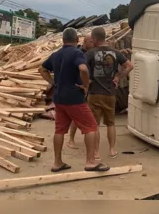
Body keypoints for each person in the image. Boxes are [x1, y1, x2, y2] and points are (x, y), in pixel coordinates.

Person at [39, 27, 110, 172]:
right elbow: (83, 69)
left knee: (59, 130)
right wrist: (85, 85)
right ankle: (90, 162)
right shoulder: (77, 53)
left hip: (59, 98)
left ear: (63, 40)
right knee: (91, 127)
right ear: (77, 40)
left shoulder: (56, 54)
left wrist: (53, 83)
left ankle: (57, 162)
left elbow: (42, 69)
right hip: (74, 97)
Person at [86, 26, 134, 160]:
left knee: (95, 125)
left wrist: (86, 81)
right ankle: (112, 150)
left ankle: (96, 153)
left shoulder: (90, 53)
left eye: (92, 39)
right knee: (111, 124)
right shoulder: (115, 52)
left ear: (95, 39)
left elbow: (82, 68)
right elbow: (130, 65)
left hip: (94, 93)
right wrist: (119, 77)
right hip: (110, 93)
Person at [67, 33, 94, 149]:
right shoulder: (79, 53)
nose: (92, 44)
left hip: (90, 87)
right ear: (85, 42)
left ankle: (89, 140)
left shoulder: (92, 53)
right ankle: (71, 139)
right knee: (76, 116)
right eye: (90, 42)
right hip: (80, 87)